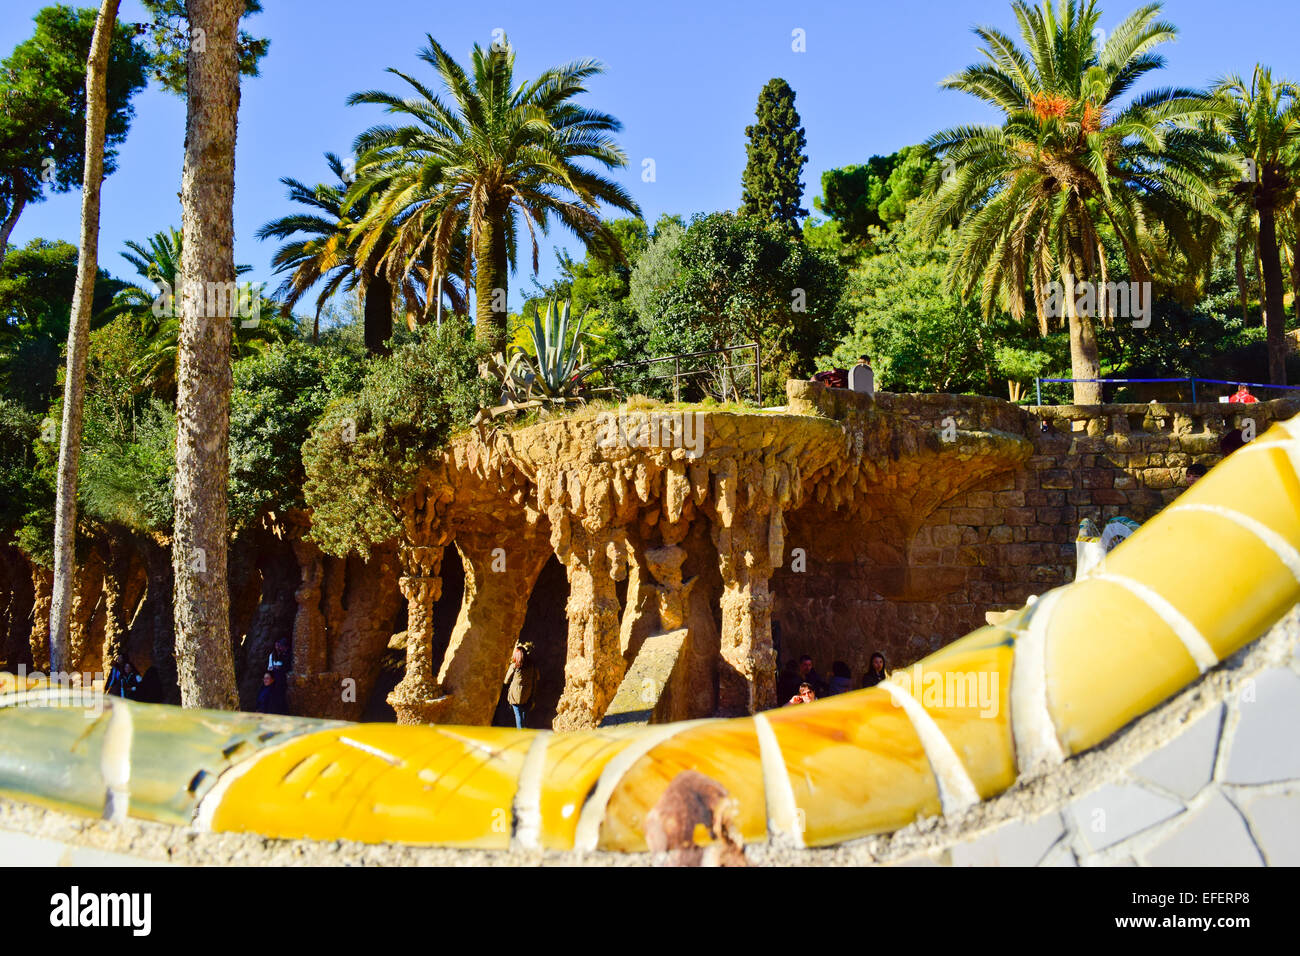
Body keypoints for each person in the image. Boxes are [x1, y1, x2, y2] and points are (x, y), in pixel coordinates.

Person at [503, 643, 538, 729]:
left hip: (515, 695)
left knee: (518, 716)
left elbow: (506, 681)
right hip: (528, 693)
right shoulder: (532, 666)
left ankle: (521, 733)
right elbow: (536, 678)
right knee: (524, 716)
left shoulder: (514, 666)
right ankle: (524, 731)